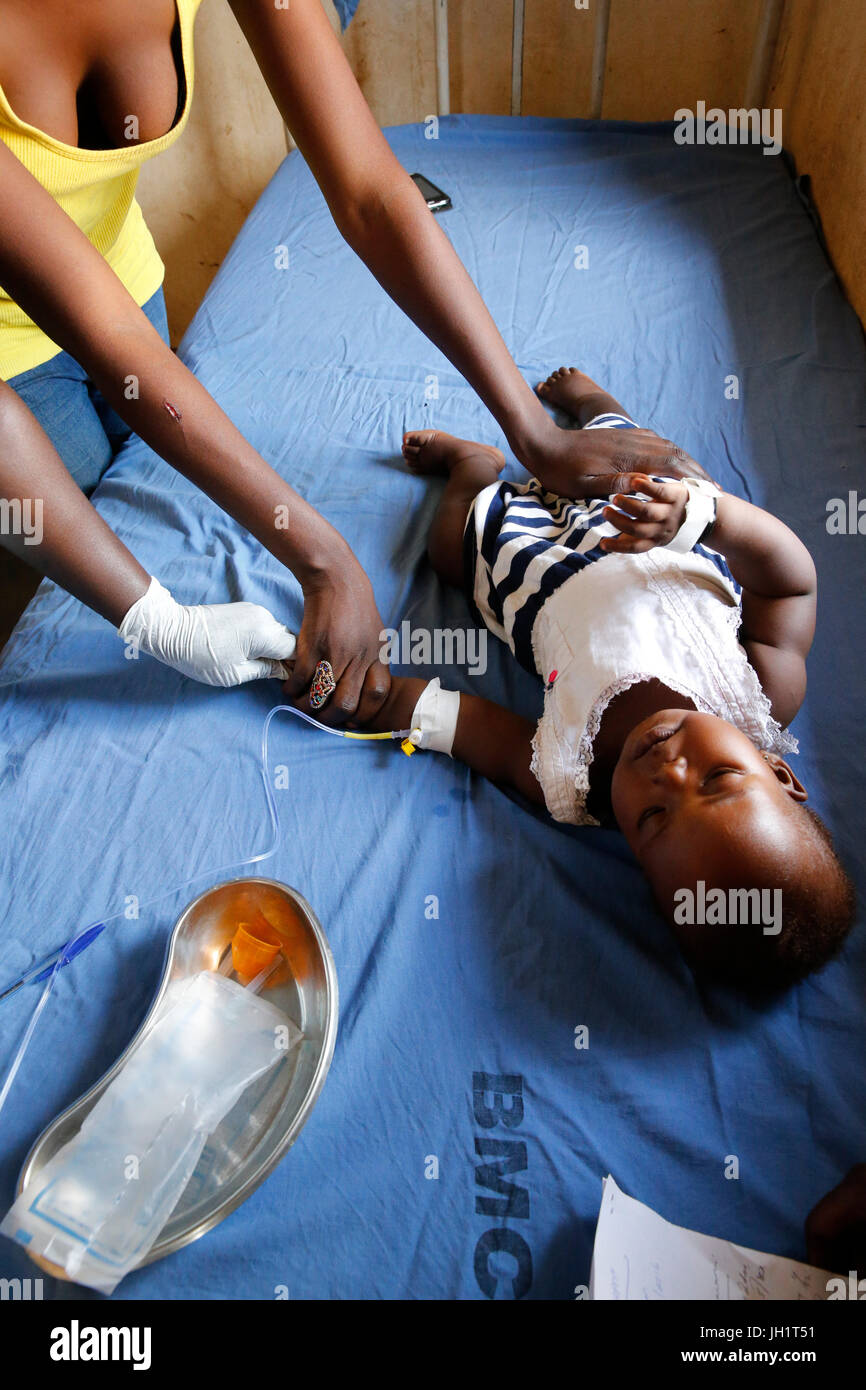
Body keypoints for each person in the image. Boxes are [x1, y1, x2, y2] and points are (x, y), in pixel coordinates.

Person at [0, 0, 711, 714]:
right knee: (63, 549)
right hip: (14, 366)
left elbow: (372, 195)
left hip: (127, 290)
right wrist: (261, 585)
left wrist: (536, 430)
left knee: (129, 487)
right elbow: (105, 336)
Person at [358, 367, 855, 990]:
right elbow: (790, 581)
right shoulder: (762, 694)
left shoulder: (572, 784)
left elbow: (477, 729)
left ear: (638, 861)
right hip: (650, 523)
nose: (668, 771)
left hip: (533, 570)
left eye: (652, 817)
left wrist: (391, 704)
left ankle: (472, 467)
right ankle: (594, 404)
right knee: (648, 455)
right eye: (720, 777)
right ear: (780, 774)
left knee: (448, 550)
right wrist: (704, 516)